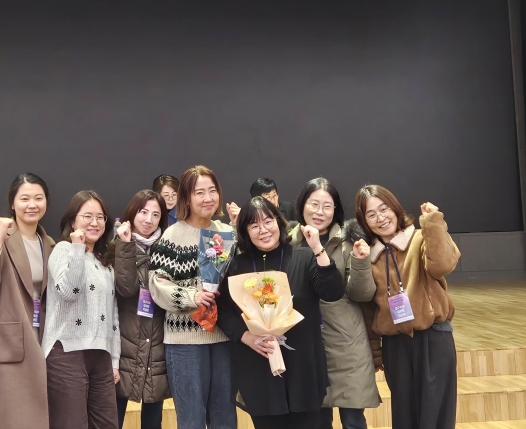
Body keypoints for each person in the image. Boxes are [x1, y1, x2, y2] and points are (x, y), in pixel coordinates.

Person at [216, 197, 344, 429]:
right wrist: (247, 337)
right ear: (245, 231)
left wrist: (318, 248)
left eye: (268, 221)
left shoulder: (304, 257)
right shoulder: (236, 265)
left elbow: (333, 292)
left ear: (278, 221)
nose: (263, 230)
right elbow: (223, 311)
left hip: (303, 367)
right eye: (254, 225)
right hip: (259, 369)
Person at [355, 184, 461, 429]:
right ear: (364, 221)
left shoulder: (421, 238)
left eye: (384, 209)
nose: (381, 218)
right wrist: (376, 352)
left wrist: (433, 223)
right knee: (404, 417)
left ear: (395, 208)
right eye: (371, 214)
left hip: (433, 338)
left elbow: (443, 266)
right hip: (396, 346)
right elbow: (369, 309)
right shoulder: (367, 254)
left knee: (436, 417)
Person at [149, 165, 240, 429]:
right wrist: (192, 297)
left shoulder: (227, 233)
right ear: (186, 198)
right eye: (199, 192)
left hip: (223, 337)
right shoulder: (173, 235)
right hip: (184, 341)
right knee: (191, 419)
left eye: (212, 191)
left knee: (225, 417)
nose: (208, 198)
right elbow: (157, 284)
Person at [0, 173, 56, 429]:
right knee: (5, 416)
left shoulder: (48, 243)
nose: (32, 204)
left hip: (38, 335)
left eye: (38, 198)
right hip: (5, 340)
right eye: (24, 198)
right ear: (13, 203)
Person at [289, 179, 379, 429]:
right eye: (314, 204)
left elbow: (363, 294)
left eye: (327, 206)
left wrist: (360, 262)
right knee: (316, 421)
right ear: (302, 205)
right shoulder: (288, 242)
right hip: (306, 344)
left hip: (346, 344)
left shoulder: (350, 242)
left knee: (353, 421)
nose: (320, 212)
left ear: (336, 209)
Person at [43, 191, 121, 429]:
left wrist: (114, 358)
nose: (94, 222)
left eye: (100, 217)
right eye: (87, 216)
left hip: (101, 353)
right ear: (73, 221)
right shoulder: (62, 251)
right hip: (66, 351)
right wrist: (77, 249)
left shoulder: (104, 260)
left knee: (107, 424)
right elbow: (69, 292)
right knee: (71, 424)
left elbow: (112, 312)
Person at [113, 190, 170, 429]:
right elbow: (126, 289)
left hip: (157, 343)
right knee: (114, 415)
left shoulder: (167, 248)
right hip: (125, 342)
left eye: (156, 215)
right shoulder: (117, 245)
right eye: (143, 212)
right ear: (132, 213)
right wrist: (125, 245)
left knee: (153, 417)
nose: (149, 219)